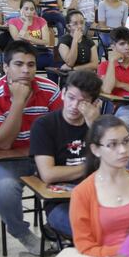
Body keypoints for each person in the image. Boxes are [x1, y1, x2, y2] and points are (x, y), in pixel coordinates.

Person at [0, 40, 62, 254]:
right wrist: (18, 102)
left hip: (42, 154)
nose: (26, 70)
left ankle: (56, 227)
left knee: (78, 178)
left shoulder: (50, 89)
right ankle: (22, 234)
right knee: (5, 191)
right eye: (18, 64)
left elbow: (60, 130)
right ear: (5, 67)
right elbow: (3, 143)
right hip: (5, 158)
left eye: (31, 64)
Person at [30, 71, 103, 237]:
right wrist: (90, 167)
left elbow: (116, 166)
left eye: (83, 102)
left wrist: (94, 127)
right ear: (62, 94)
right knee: (92, 231)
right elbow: (48, 174)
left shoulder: (101, 127)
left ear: (95, 104)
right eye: (71, 97)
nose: (74, 106)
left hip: (100, 197)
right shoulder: (44, 125)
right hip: (61, 202)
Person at [69, 115, 129, 257]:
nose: (123, 150)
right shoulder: (82, 193)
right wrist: (127, 251)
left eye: (126, 141)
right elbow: (85, 247)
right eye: (112, 144)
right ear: (95, 150)